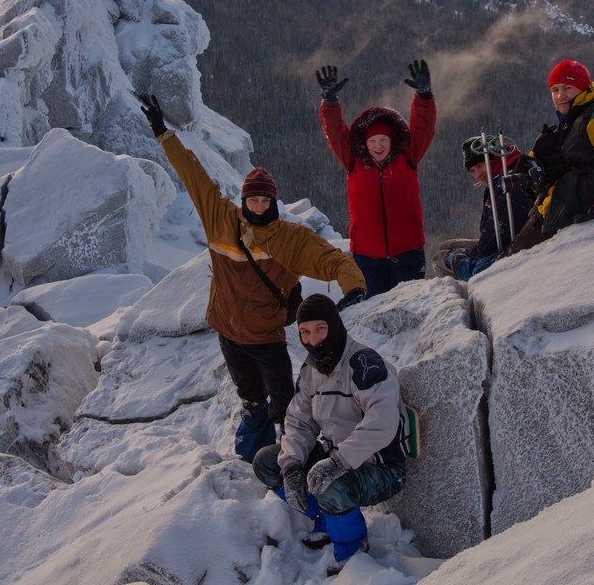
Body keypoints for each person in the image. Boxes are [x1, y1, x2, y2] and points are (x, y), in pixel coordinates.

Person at [139, 94, 367, 464]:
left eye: (265, 201)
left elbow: (331, 259)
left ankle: (291, 456)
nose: (258, 206)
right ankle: (255, 442)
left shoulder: (289, 239)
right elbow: (192, 173)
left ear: (273, 203)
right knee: (251, 395)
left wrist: (354, 287)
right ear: (243, 200)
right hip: (228, 331)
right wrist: (163, 133)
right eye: (253, 200)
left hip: (265, 337)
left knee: (285, 403)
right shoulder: (220, 219)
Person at [252, 293, 407, 576]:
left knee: (329, 484)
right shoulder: (312, 370)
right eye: (305, 333)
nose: (313, 340)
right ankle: (325, 520)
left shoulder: (363, 364)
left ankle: (352, 547)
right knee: (267, 462)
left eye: (320, 329)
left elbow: (383, 422)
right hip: (336, 458)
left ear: (334, 326)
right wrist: (291, 467)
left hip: (380, 467)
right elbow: (299, 421)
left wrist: (339, 463)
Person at [504, 60, 594, 256]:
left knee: (514, 269)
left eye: (567, 87)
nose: (560, 95)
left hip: (581, 215)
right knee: (509, 264)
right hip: (556, 213)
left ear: (583, 88)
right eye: (555, 90)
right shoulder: (570, 123)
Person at [316, 60, 436, 297]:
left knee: (409, 313)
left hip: (407, 254)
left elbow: (423, 128)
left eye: (383, 140)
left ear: (392, 141)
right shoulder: (354, 161)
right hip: (367, 258)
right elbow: (336, 133)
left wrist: (424, 96)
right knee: (374, 322)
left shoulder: (407, 156)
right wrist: (329, 103)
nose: (378, 146)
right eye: (372, 141)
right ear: (365, 143)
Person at [432, 135, 535, 281]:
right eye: (473, 171)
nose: (477, 175)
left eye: (480, 166)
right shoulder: (502, 178)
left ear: (495, 158)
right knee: (446, 247)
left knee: (442, 260)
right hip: (505, 243)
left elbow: (499, 233)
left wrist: (467, 256)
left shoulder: (509, 182)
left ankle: (466, 278)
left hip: (511, 248)